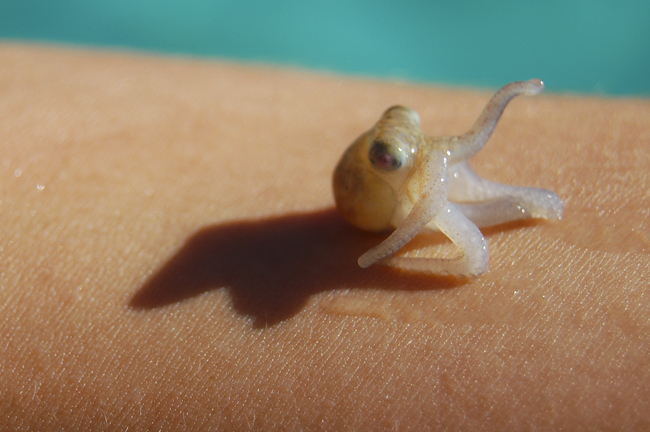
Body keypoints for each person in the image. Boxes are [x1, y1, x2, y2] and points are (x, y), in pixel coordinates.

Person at [1, 43, 648, 430]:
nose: (439, 157)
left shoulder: (428, 161)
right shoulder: (384, 192)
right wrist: (385, 246)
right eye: (401, 155)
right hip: (365, 212)